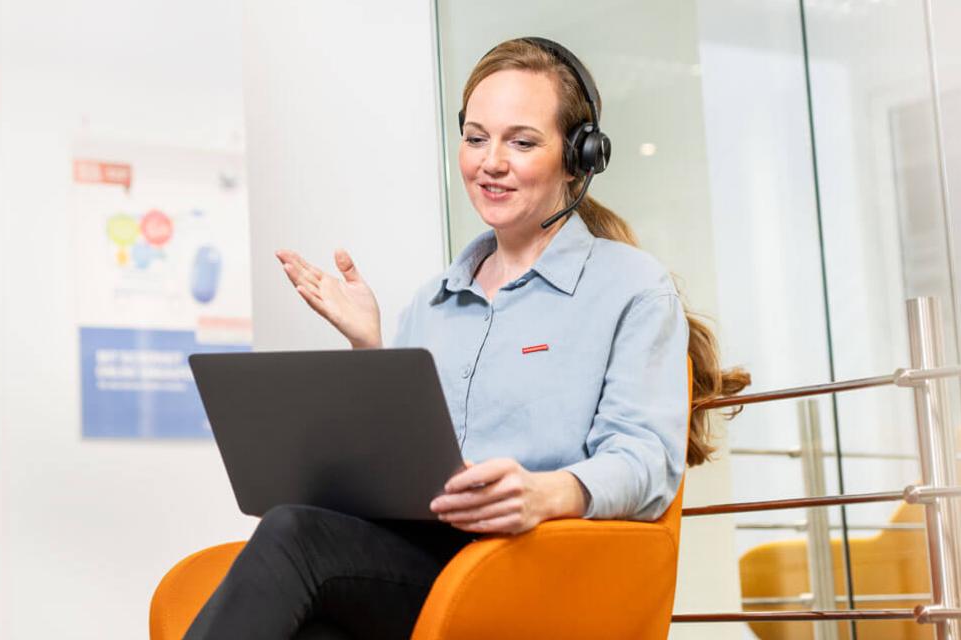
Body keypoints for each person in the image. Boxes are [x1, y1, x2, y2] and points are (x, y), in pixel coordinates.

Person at [184, 37, 748, 640]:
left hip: (533, 564)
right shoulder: (432, 301)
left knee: (294, 534)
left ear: (577, 157)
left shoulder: (631, 287)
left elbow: (645, 461)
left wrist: (544, 493)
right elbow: (405, 463)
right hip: (427, 559)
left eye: (522, 141)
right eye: (476, 138)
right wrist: (372, 353)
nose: (490, 162)